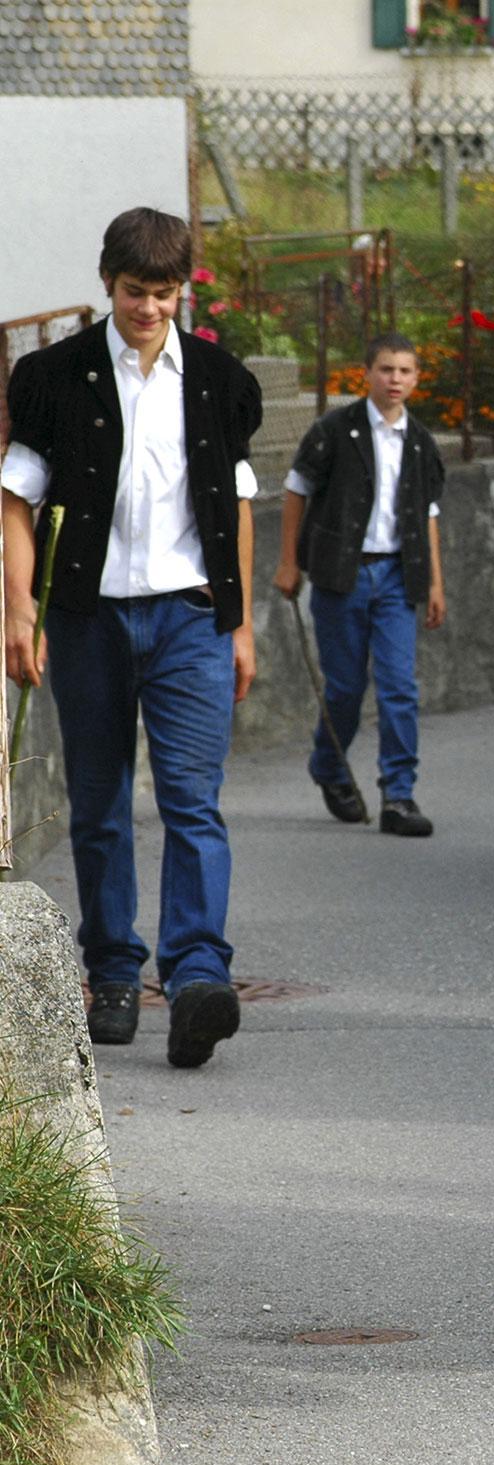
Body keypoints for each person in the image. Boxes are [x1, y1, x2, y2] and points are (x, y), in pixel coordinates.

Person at [1, 207, 263, 1068]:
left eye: (163, 292)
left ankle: (196, 978)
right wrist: (19, 611)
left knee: (192, 802)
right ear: (106, 285)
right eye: (133, 291)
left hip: (190, 616)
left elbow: (238, 503)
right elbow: (15, 500)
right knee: (102, 802)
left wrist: (242, 622)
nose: (148, 308)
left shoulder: (220, 380)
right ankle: (113, 972)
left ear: (183, 289)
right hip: (88, 619)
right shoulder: (55, 376)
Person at [273, 335, 447, 837]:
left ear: (416, 379)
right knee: (346, 688)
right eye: (386, 369)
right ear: (366, 374)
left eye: (405, 371)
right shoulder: (335, 431)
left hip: (397, 576)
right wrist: (289, 562)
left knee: (399, 687)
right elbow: (295, 491)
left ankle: (399, 795)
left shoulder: (420, 442)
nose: (395, 379)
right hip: (341, 576)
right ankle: (329, 766)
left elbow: (428, 514)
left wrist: (434, 582)